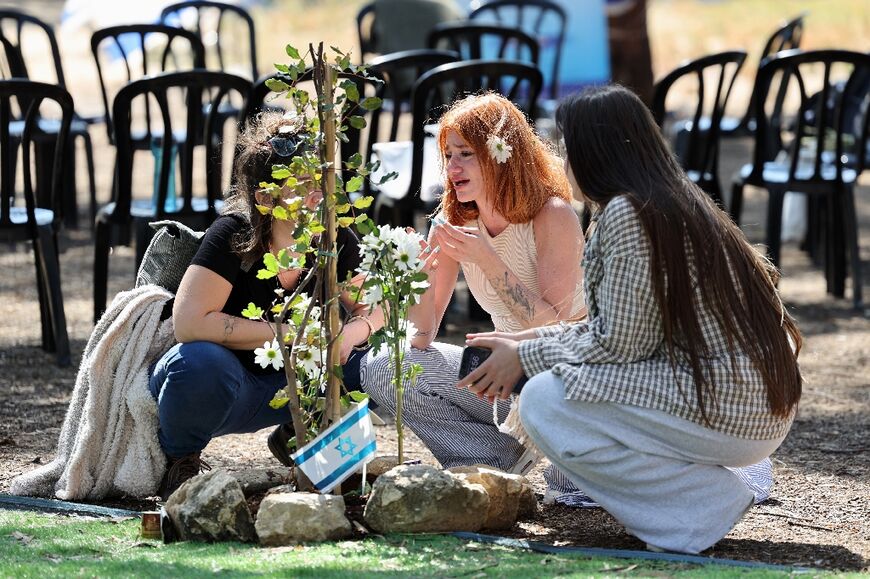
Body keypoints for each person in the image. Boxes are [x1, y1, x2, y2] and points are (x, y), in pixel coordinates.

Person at [458, 85, 802, 554]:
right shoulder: (667, 201)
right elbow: (627, 328)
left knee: (545, 399)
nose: (561, 158)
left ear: (594, 149)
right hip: (758, 404)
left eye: (566, 144)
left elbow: (621, 344)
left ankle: (698, 512)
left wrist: (526, 354)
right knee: (555, 387)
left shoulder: (627, 213)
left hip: (733, 407)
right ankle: (709, 496)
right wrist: (529, 338)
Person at [149, 111, 383, 499]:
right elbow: (189, 323)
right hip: (227, 384)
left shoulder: (332, 233)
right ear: (265, 198)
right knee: (198, 363)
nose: (317, 197)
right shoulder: (233, 234)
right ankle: (180, 460)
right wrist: (291, 334)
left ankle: (304, 444)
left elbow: (377, 307)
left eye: (322, 183)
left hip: (292, 387)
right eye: (302, 187)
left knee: (375, 362)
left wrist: (348, 335)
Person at [361, 92, 587, 474]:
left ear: (502, 154)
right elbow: (421, 337)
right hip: (507, 374)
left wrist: (485, 257)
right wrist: (417, 279)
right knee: (385, 364)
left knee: (572, 496)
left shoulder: (552, 215)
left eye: (466, 154)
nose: (453, 168)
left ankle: (560, 459)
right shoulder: (452, 224)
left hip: (570, 377)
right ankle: (490, 456)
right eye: (448, 155)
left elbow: (553, 328)